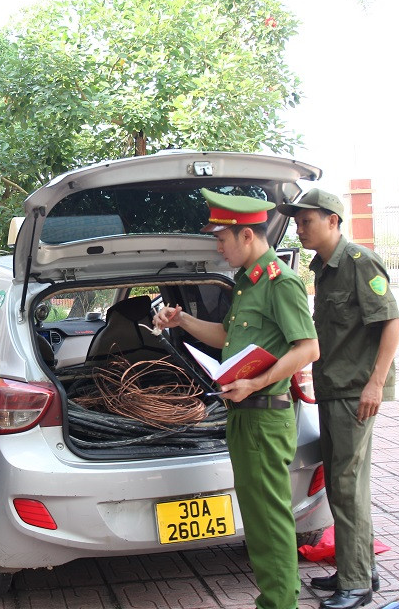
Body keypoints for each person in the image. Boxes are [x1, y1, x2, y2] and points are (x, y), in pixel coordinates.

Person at [153, 188, 319, 609]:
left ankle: (280, 603)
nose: (218, 247)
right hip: (244, 414)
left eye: (222, 238)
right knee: (258, 516)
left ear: (246, 235)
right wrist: (182, 320)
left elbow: (308, 348)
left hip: (265, 415)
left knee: (269, 518)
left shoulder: (281, 282)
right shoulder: (247, 281)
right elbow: (226, 336)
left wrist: (256, 382)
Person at [278, 189, 399, 609]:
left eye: (306, 221)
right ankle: (359, 567)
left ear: (332, 220)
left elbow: (391, 323)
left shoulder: (358, 262)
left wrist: (375, 384)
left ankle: (357, 584)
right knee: (341, 484)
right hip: (333, 390)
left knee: (347, 487)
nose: (299, 229)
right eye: (297, 222)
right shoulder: (323, 268)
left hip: (355, 393)